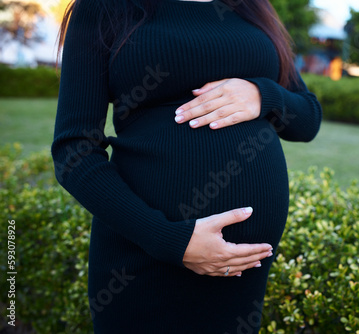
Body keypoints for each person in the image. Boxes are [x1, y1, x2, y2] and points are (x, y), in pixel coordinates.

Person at [52, 0, 322, 332]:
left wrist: (264, 95)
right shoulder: (104, 7)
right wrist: (171, 240)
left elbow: (308, 119)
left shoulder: (250, 6)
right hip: (145, 259)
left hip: (240, 272)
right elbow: (74, 150)